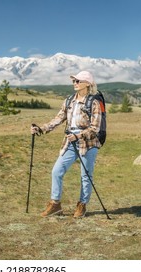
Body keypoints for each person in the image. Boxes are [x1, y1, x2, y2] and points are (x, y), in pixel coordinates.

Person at [30, 70, 102, 218]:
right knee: (57, 171)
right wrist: (41, 128)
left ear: (87, 84)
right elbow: (58, 118)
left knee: (86, 176)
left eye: (78, 81)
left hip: (88, 143)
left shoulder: (93, 102)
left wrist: (79, 135)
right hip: (70, 142)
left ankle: (82, 205)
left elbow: (95, 128)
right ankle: (55, 205)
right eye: (74, 81)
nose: (74, 83)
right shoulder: (69, 101)